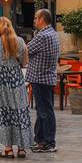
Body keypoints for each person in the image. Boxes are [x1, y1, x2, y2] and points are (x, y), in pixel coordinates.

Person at [0, 16, 32, 158]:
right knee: (19, 111)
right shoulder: (20, 41)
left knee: (4, 113)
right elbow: (25, 63)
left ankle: (8, 149)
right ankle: (22, 148)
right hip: (16, 81)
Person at [26, 8, 61, 153]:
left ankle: (48, 142)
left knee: (45, 111)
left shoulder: (42, 36)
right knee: (43, 110)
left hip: (40, 77)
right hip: (47, 76)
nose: (34, 21)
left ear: (42, 20)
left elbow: (27, 49)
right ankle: (40, 140)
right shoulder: (53, 33)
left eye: (35, 18)